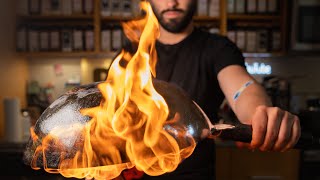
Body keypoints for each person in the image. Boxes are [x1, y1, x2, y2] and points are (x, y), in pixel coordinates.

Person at [120, 0, 301, 179]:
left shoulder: (217, 48)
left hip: (196, 174)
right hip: (138, 174)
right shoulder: (131, 54)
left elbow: (243, 88)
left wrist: (260, 114)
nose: (171, 3)